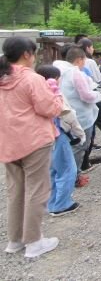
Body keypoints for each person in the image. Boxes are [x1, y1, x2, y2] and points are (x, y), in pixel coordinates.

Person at [0, 37, 63, 258]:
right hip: (34, 140)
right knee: (37, 189)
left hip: (7, 141)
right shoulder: (31, 79)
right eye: (33, 53)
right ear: (27, 54)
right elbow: (50, 108)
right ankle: (34, 241)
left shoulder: (2, 78)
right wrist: (57, 97)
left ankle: (15, 240)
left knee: (15, 191)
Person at [35, 65, 81, 217]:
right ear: (55, 79)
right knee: (67, 168)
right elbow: (68, 115)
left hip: (42, 136)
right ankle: (62, 204)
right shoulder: (54, 92)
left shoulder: (35, 92)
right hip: (57, 134)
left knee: (52, 170)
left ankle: (52, 202)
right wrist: (79, 133)